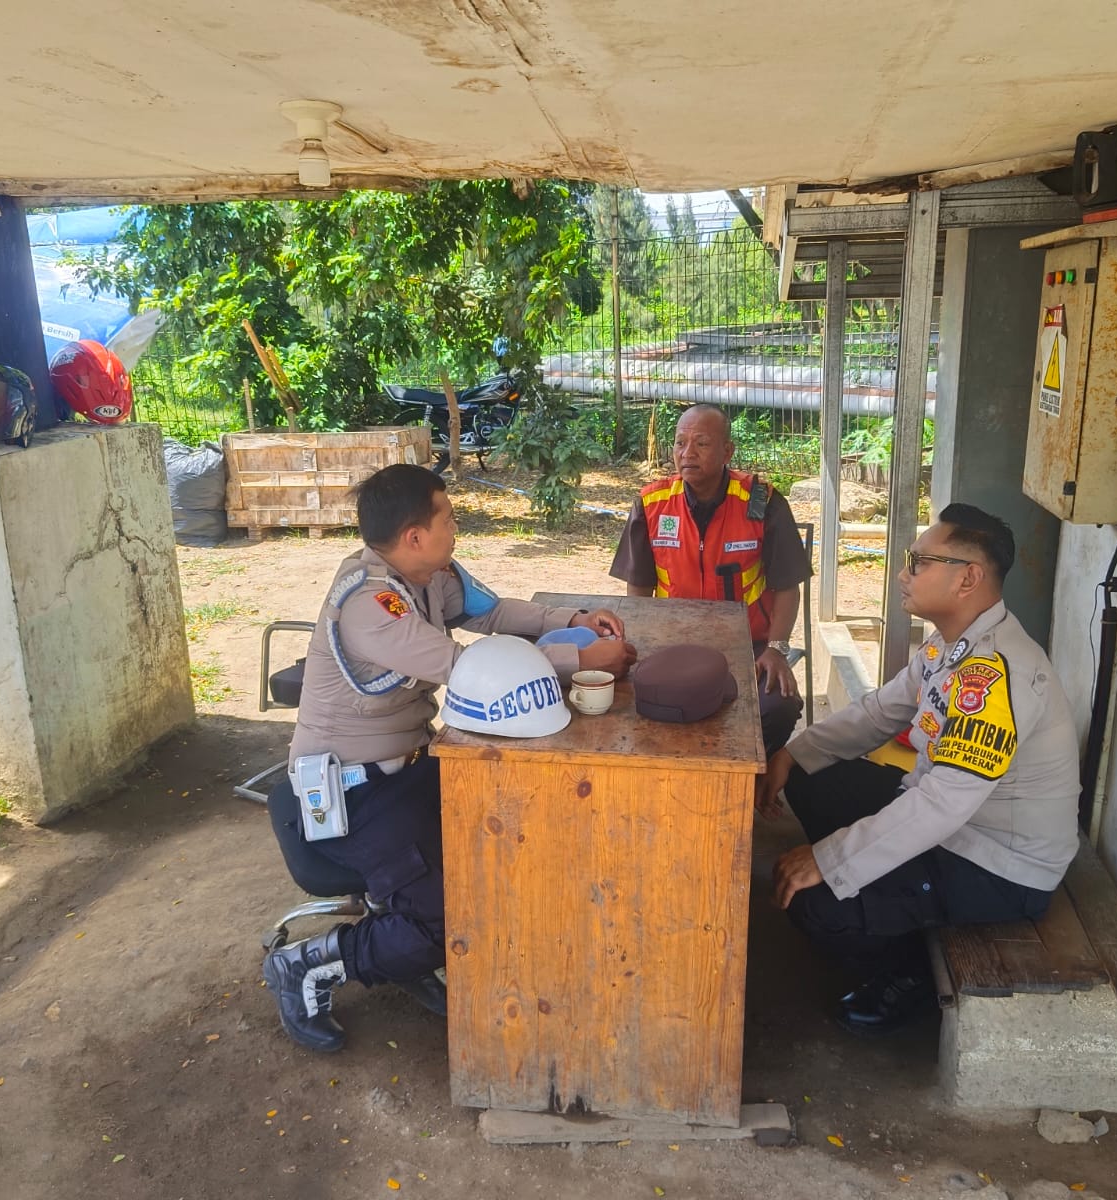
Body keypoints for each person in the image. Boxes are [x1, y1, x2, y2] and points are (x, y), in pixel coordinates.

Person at [263, 464, 635, 1053]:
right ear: (415, 536)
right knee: (448, 915)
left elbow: (493, 613)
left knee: (509, 837)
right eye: (450, 518)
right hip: (353, 795)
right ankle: (307, 964)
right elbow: (470, 669)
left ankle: (402, 948)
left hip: (413, 768)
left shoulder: (430, 575)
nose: (456, 528)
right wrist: (581, 662)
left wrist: (572, 621)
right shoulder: (370, 603)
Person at [758, 503, 1079, 1037]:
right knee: (810, 776)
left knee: (815, 904)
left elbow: (943, 805)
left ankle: (911, 971)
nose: (903, 575)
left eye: (919, 562)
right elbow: (878, 713)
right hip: (948, 818)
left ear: (968, 578)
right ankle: (887, 901)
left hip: (996, 863)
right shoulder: (950, 646)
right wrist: (790, 754)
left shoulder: (995, 673)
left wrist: (832, 859)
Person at [608, 404, 809, 756]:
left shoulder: (760, 502)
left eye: (701, 443)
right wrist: (642, 644)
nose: (687, 453)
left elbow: (787, 586)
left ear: (727, 452)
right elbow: (638, 587)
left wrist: (777, 649)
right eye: (680, 443)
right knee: (630, 700)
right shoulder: (652, 503)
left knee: (779, 705)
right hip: (672, 646)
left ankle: (749, 777)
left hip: (749, 646)